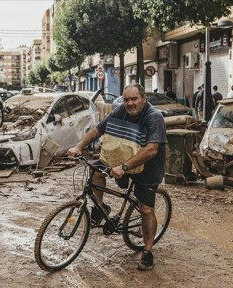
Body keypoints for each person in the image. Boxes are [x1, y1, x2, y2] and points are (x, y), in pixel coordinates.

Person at [67, 83, 167, 271]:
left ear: (143, 99)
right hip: (122, 157)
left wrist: (125, 166)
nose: (129, 103)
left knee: (146, 209)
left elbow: (152, 149)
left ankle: (147, 251)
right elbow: (98, 129)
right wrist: (79, 146)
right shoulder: (120, 111)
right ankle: (100, 206)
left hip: (148, 166)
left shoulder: (154, 117)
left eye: (134, 99)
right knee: (96, 170)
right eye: (126, 99)